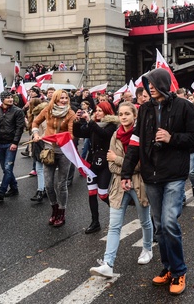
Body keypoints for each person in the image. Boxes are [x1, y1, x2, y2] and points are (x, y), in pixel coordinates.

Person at [120, 68, 194, 295]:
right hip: (151, 176)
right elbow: (135, 143)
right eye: (148, 86)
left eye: (154, 85)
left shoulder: (185, 107)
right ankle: (167, 267)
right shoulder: (145, 109)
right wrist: (126, 173)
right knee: (159, 228)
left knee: (168, 223)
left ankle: (179, 271)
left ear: (164, 84)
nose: (151, 90)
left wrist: (172, 138)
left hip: (174, 175)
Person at [89, 102, 153, 277]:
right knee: (114, 226)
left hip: (139, 184)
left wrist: (118, 159)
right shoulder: (115, 135)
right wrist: (123, 165)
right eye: (121, 114)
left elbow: (141, 165)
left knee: (145, 221)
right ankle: (108, 263)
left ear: (135, 116)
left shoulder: (142, 135)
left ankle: (147, 249)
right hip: (118, 184)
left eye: (127, 114)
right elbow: (110, 165)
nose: (124, 117)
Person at [32, 89, 76, 227]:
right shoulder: (48, 110)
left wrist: (59, 138)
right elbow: (35, 122)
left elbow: (71, 134)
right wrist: (35, 134)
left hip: (64, 151)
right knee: (48, 184)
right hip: (49, 150)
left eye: (65, 98)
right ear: (55, 99)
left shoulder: (70, 113)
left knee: (61, 184)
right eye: (61, 98)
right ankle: (54, 209)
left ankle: (62, 212)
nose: (63, 100)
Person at [73, 101, 119, 234]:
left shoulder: (111, 126)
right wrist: (77, 121)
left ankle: (117, 214)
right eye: (96, 110)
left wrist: (90, 122)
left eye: (100, 110)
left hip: (105, 164)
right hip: (93, 163)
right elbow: (80, 133)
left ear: (107, 112)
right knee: (92, 193)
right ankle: (95, 222)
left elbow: (104, 134)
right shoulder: (94, 125)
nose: (97, 113)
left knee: (103, 194)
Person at [0, 91, 26, 200]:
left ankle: (2, 190)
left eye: (11, 97)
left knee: (8, 168)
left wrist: (15, 142)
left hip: (11, 144)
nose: (10, 99)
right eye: (8, 97)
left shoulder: (18, 111)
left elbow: (20, 128)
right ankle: (14, 188)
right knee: (5, 169)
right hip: (0, 144)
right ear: (2, 99)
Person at [28, 98, 48, 202]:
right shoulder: (36, 114)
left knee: (41, 169)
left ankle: (42, 190)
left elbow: (46, 130)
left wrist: (39, 137)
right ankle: (42, 189)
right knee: (40, 168)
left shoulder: (41, 115)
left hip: (42, 143)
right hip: (38, 142)